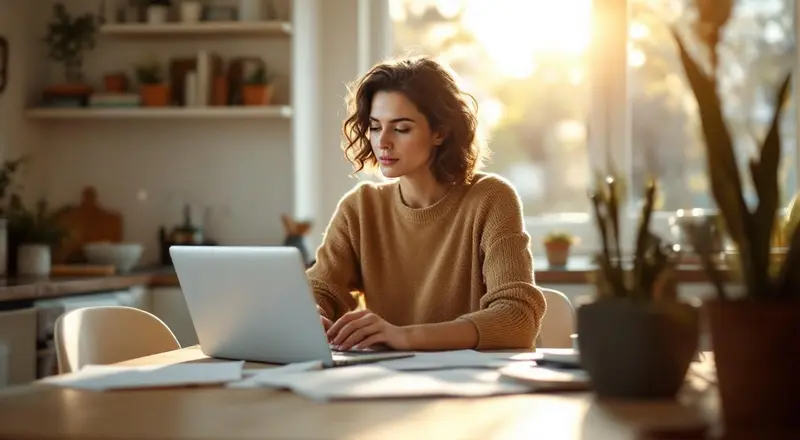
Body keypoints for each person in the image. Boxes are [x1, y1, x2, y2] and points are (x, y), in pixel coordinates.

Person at [307, 56, 547, 352]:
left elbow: (517, 319)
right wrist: (310, 314)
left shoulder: (491, 198)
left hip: (471, 387)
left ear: (439, 132)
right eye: (374, 127)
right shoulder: (360, 208)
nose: (383, 142)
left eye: (401, 128)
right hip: (388, 384)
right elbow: (320, 288)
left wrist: (404, 337)